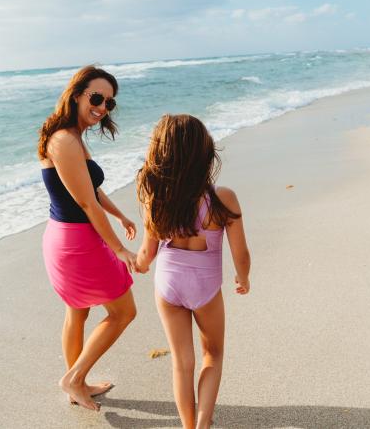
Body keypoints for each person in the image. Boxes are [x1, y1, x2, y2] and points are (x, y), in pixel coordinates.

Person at [135, 114, 251, 429]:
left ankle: (188, 425)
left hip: (168, 285)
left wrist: (137, 263)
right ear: (204, 153)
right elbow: (241, 253)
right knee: (213, 353)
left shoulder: (156, 200)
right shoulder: (221, 197)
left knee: (182, 364)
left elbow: (148, 254)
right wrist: (244, 277)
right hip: (205, 286)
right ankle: (202, 424)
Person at [38, 65, 138, 411]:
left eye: (109, 103)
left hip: (71, 236)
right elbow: (84, 202)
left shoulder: (73, 136)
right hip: (77, 240)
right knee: (123, 311)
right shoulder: (64, 140)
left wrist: (120, 214)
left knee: (77, 313)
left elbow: (92, 191)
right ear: (77, 94)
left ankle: (76, 383)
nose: (102, 107)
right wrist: (119, 248)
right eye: (97, 98)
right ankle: (73, 377)